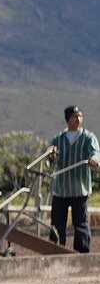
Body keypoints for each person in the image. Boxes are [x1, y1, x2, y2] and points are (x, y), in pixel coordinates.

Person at [47, 105, 99, 253]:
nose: (78, 119)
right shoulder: (58, 139)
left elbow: (95, 152)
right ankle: (56, 250)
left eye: (80, 116)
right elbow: (52, 159)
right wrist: (51, 155)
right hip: (61, 190)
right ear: (67, 119)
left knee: (81, 224)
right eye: (75, 116)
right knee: (57, 224)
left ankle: (82, 254)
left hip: (79, 189)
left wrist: (94, 160)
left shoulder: (88, 138)